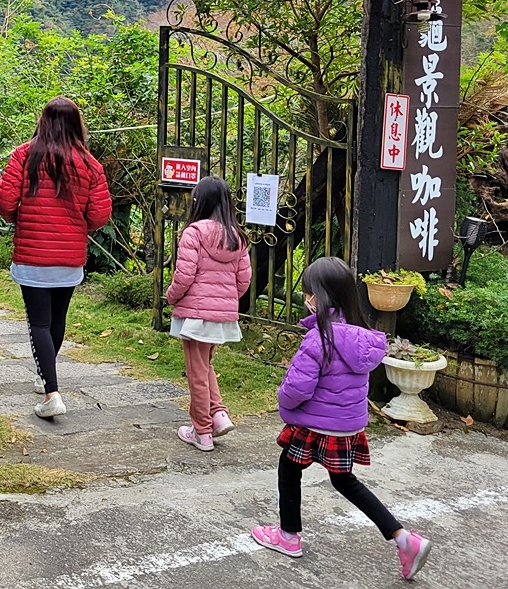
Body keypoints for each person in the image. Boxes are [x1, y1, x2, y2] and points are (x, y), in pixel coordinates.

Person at [251, 257, 431, 580]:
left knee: (289, 467)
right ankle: (404, 539)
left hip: (314, 425)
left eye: (309, 293)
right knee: (344, 480)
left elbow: (296, 388)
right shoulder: (361, 337)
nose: (306, 299)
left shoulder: (318, 338)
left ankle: (289, 536)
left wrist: (283, 401)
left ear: (319, 298)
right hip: (347, 427)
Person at [0, 97, 112, 419]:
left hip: (32, 254)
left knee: (39, 323)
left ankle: (51, 394)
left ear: (43, 121)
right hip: (69, 258)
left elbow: (5, 201)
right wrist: (76, 225)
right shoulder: (90, 165)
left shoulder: (24, 155)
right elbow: (100, 213)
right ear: (77, 124)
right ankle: (45, 376)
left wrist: (19, 216)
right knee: (56, 321)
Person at [165, 175, 252, 450]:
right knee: (206, 365)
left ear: (199, 201)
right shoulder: (236, 236)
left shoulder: (193, 233)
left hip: (195, 315)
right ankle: (219, 414)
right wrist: (224, 301)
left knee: (196, 372)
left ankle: (201, 432)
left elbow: (184, 276)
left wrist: (171, 297)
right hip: (221, 316)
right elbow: (243, 280)